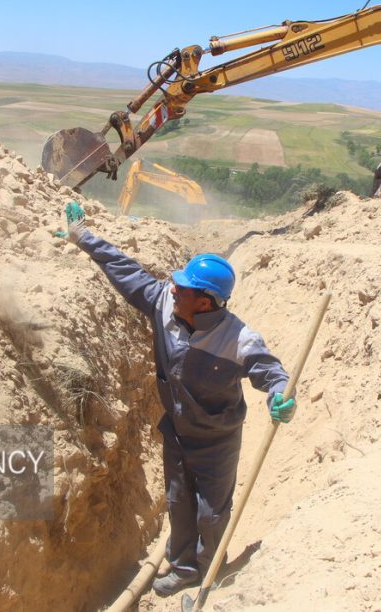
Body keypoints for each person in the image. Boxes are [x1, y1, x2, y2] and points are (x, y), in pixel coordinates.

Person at [60, 201, 296, 597]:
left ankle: (208, 574)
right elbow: (126, 270)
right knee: (179, 500)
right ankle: (183, 564)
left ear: (204, 301)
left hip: (217, 441)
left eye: (182, 286)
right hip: (177, 432)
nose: (172, 287)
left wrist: (279, 396)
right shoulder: (165, 305)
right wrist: (84, 237)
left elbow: (273, 374)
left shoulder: (238, 340)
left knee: (211, 511)